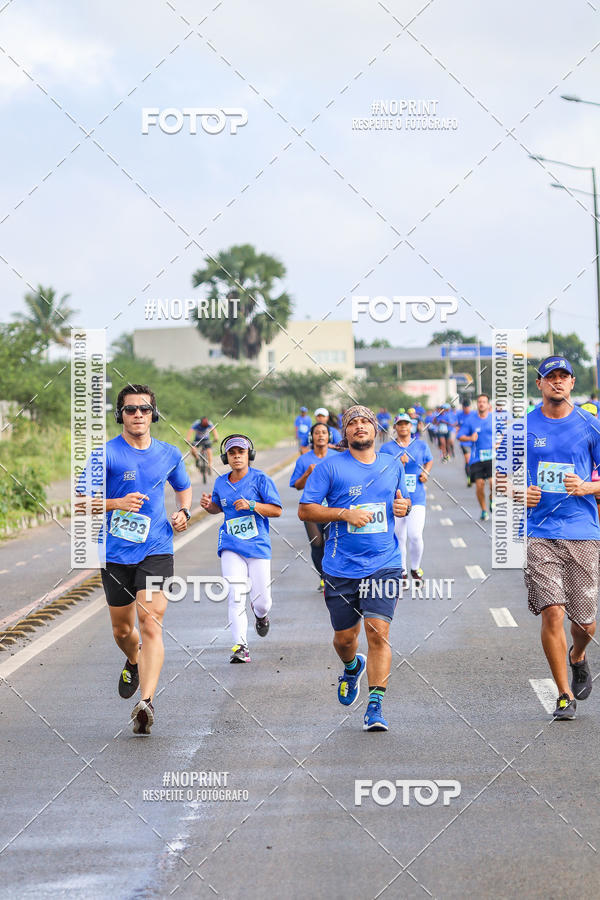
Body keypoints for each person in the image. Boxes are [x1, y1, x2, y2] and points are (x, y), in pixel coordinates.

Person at [76, 384, 192, 735]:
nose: (138, 415)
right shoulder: (105, 455)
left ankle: (147, 701)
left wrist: (183, 511)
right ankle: (132, 659)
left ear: (153, 414)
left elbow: (183, 487)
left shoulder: (170, 453)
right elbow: (81, 502)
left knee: (151, 620)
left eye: (144, 409)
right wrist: (116, 503)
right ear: (120, 415)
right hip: (115, 553)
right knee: (123, 630)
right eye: (130, 410)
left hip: (156, 548)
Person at [299, 405, 411, 732]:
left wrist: (401, 507)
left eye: (365, 422)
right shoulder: (329, 467)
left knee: (379, 633)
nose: (360, 427)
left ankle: (375, 706)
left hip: (385, 563)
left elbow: (400, 501)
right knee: (345, 639)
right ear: (344, 433)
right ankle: (351, 667)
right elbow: (306, 510)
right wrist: (344, 514)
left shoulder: (392, 464)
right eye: (353, 423)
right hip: (341, 567)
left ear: (375, 430)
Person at [524, 356, 600, 719]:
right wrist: (519, 491)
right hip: (540, 532)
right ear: (539, 383)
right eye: (550, 377)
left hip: (582, 531)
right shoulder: (523, 428)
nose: (557, 382)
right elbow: (503, 478)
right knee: (552, 611)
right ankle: (564, 694)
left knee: (585, 622)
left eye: (563, 377)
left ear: (571, 383)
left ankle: (578, 654)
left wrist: (588, 487)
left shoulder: (590, 425)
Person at [200, 435, 282, 663]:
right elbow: (218, 508)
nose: (236, 456)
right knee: (235, 595)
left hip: (257, 545)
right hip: (230, 545)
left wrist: (252, 505)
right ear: (225, 457)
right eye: (232, 452)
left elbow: (276, 510)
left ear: (249, 456)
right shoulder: (220, 482)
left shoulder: (261, 479)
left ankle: (261, 616)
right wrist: (209, 506)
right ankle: (240, 646)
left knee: (262, 601)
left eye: (241, 452)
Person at [380, 413, 433, 583]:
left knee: (415, 534)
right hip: (395, 498)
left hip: (416, 497)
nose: (403, 427)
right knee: (399, 537)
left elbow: (429, 460)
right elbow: (381, 471)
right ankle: (401, 572)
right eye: (400, 424)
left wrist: (425, 472)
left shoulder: (421, 445)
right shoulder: (387, 449)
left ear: (412, 426)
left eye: (406, 424)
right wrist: (398, 464)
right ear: (395, 427)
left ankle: (415, 568)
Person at [290, 422, 339, 589]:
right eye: (317, 432)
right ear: (312, 437)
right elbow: (297, 485)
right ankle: (323, 577)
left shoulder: (336, 458)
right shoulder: (304, 460)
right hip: (311, 508)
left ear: (329, 437)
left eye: (324, 432)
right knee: (317, 543)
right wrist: (308, 473)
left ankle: (333, 577)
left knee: (332, 543)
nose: (320, 435)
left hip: (332, 507)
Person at [458, 394, 493, 520]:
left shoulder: (494, 419)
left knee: (493, 483)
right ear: (477, 404)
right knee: (479, 485)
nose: (481, 404)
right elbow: (460, 435)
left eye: (484, 401)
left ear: (488, 404)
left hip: (492, 457)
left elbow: (505, 433)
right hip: (476, 458)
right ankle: (484, 510)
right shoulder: (470, 420)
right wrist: (469, 438)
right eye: (479, 402)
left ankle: (491, 499)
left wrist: (500, 443)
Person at [456, 399, 473, 486]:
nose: (466, 409)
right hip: (465, 442)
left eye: (467, 407)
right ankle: (469, 478)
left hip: (475, 442)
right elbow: (457, 426)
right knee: (468, 460)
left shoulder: (474, 414)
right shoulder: (459, 415)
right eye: (464, 407)